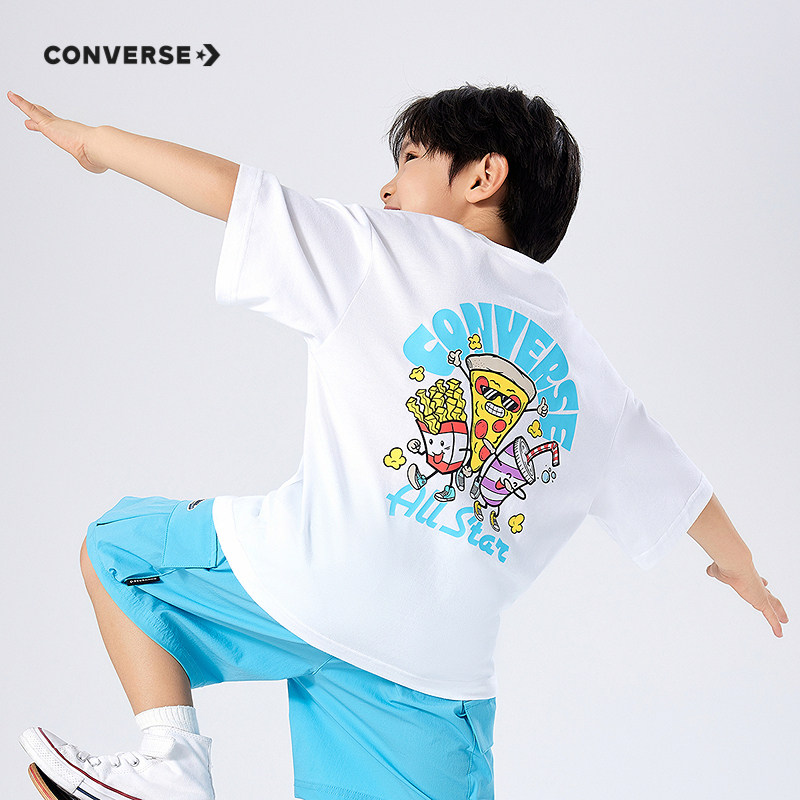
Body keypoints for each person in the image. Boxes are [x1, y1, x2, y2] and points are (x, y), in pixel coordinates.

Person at [8, 83, 788, 800]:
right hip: (433, 673)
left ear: (483, 176)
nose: (387, 187)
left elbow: (233, 192)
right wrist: (744, 571)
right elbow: (686, 494)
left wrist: (95, 143)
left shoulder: (384, 247)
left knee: (118, 549)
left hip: (306, 583)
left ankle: (172, 764)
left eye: (410, 160)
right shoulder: (593, 374)